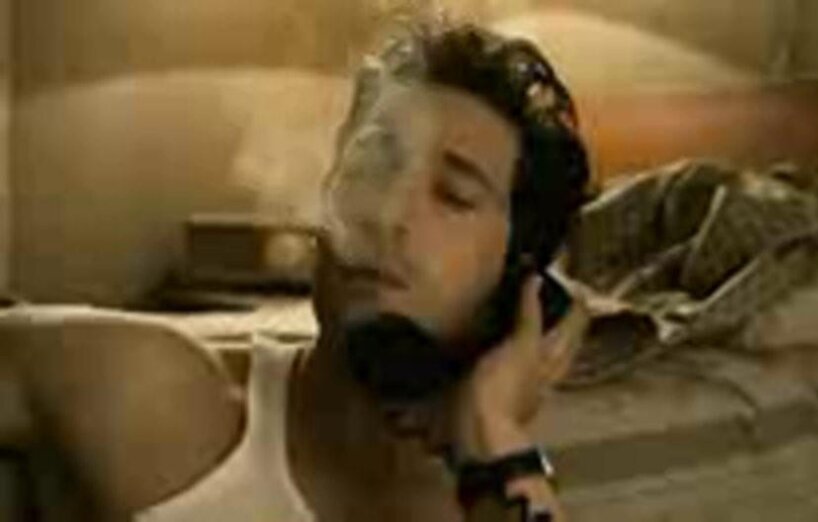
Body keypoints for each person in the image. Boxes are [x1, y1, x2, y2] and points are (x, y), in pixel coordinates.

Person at [0, 21, 591, 522]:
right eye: (373, 164)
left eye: (453, 195)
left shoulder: (497, 489)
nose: (387, 213)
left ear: (519, 284)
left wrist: (493, 432)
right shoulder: (165, 402)